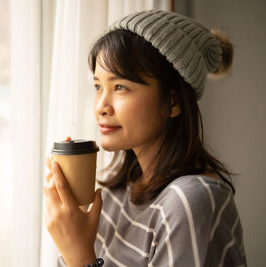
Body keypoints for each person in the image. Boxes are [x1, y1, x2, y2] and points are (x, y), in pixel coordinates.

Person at [43, 10, 246, 267]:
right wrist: (72, 228)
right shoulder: (114, 194)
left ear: (172, 101)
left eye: (120, 87)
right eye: (98, 87)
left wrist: (78, 255)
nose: (101, 106)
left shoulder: (190, 202)